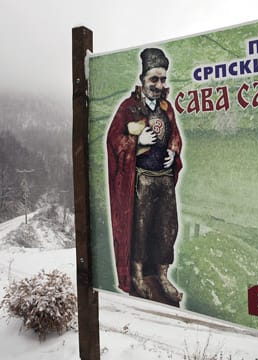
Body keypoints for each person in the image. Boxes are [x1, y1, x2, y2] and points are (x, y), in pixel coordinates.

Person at [106, 48, 183, 303]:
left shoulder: (166, 108)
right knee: (140, 228)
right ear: (143, 79)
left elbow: (174, 136)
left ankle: (162, 275)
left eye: (162, 79)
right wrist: (136, 141)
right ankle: (137, 276)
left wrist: (174, 150)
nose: (159, 85)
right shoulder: (128, 108)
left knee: (166, 228)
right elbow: (114, 140)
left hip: (164, 179)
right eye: (154, 79)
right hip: (141, 179)